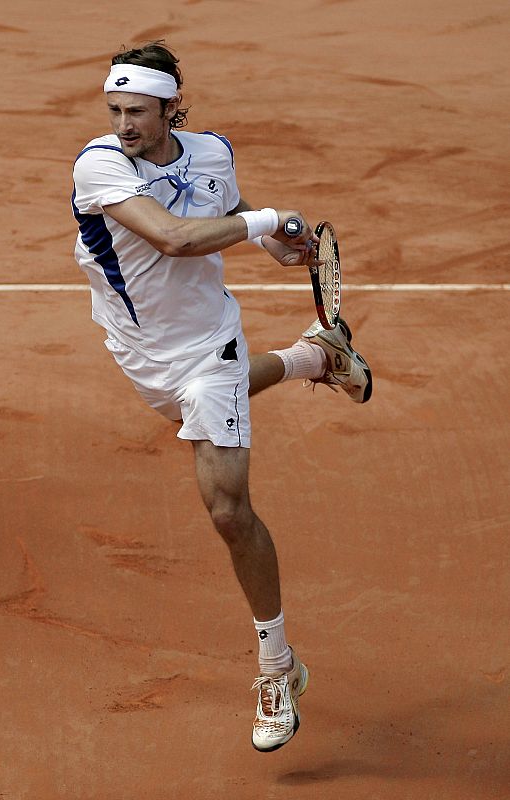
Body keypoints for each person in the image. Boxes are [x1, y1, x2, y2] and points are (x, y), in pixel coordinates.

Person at [71, 41, 372, 753]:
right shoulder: (100, 166)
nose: (123, 125)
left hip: (210, 343)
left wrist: (267, 242)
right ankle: (315, 356)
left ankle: (277, 667)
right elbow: (175, 239)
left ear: (172, 106)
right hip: (139, 352)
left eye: (137, 112)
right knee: (190, 407)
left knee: (228, 510)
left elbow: (221, 201)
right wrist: (267, 223)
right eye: (115, 111)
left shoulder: (211, 151)